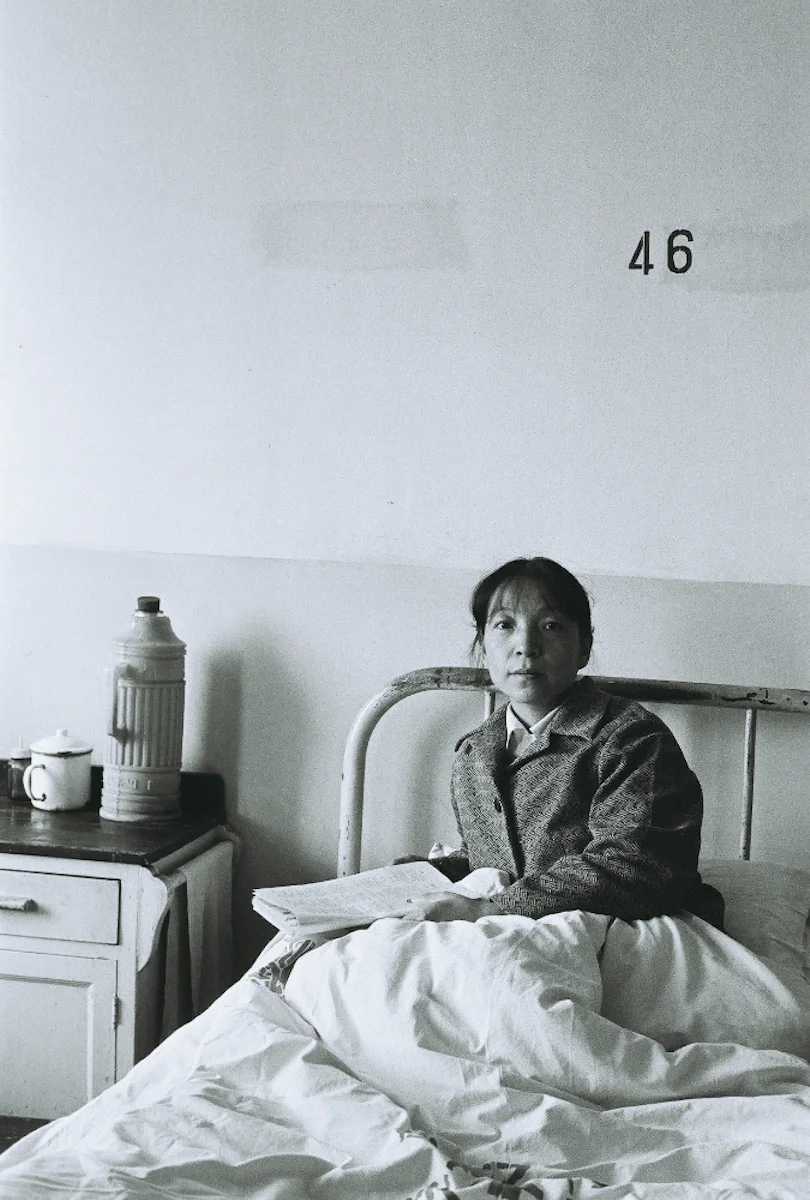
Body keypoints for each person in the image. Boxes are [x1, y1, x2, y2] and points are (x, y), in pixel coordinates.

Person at [400, 556, 724, 928]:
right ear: (483, 646)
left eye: (551, 625)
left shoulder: (631, 739)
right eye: (505, 625)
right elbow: (490, 861)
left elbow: (636, 867)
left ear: (583, 647)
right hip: (514, 927)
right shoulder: (474, 752)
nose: (526, 645)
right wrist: (431, 874)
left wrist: (494, 909)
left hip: (628, 927)